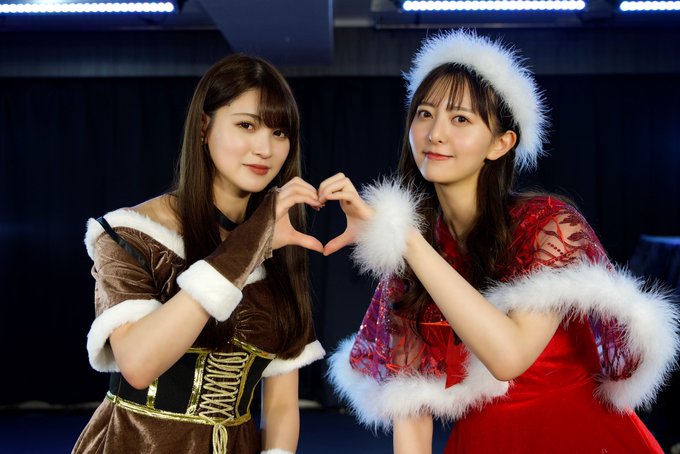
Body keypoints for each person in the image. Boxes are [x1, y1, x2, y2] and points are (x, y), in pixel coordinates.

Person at [323, 29, 679, 453]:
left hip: (580, 436)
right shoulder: (416, 253)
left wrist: (405, 239)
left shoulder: (546, 224)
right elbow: (410, 405)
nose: (435, 133)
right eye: (424, 113)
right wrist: (406, 243)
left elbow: (509, 358)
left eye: (460, 119)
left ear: (500, 143)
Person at [73, 54, 326, 454]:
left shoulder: (281, 241)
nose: (265, 148)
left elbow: (281, 403)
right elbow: (138, 364)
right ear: (204, 127)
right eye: (246, 125)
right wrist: (249, 245)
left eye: (279, 132)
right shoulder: (129, 233)